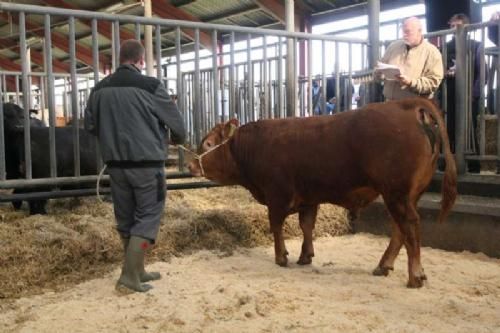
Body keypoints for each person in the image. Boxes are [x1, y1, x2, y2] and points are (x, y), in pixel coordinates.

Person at [84, 39, 186, 293]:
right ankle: (129, 277)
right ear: (141, 61)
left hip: (116, 167)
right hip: (146, 165)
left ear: (120, 59)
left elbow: (89, 126)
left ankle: (137, 269)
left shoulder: (98, 89)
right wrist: (175, 139)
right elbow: (179, 127)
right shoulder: (151, 86)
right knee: (148, 218)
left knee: (126, 218)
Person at [445, 13, 486, 172]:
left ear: (467, 28)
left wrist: (473, 95)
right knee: (449, 128)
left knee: (470, 127)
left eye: (458, 26)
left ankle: (474, 165)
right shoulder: (445, 47)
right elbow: (439, 70)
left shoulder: (476, 45)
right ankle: (448, 163)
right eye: (453, 26)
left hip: (469, 96)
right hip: (450, 95)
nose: (455, 29)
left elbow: (482, 74)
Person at [379, 16, 444, 101]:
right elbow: (380, 71)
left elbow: (433, 82)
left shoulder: (432, 52)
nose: (404, 35)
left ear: (419, 31)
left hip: (414, 107)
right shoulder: (393, 47)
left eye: (408, 31)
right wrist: (379, 73)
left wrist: (411, 82)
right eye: (403, 31)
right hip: (390, 104)